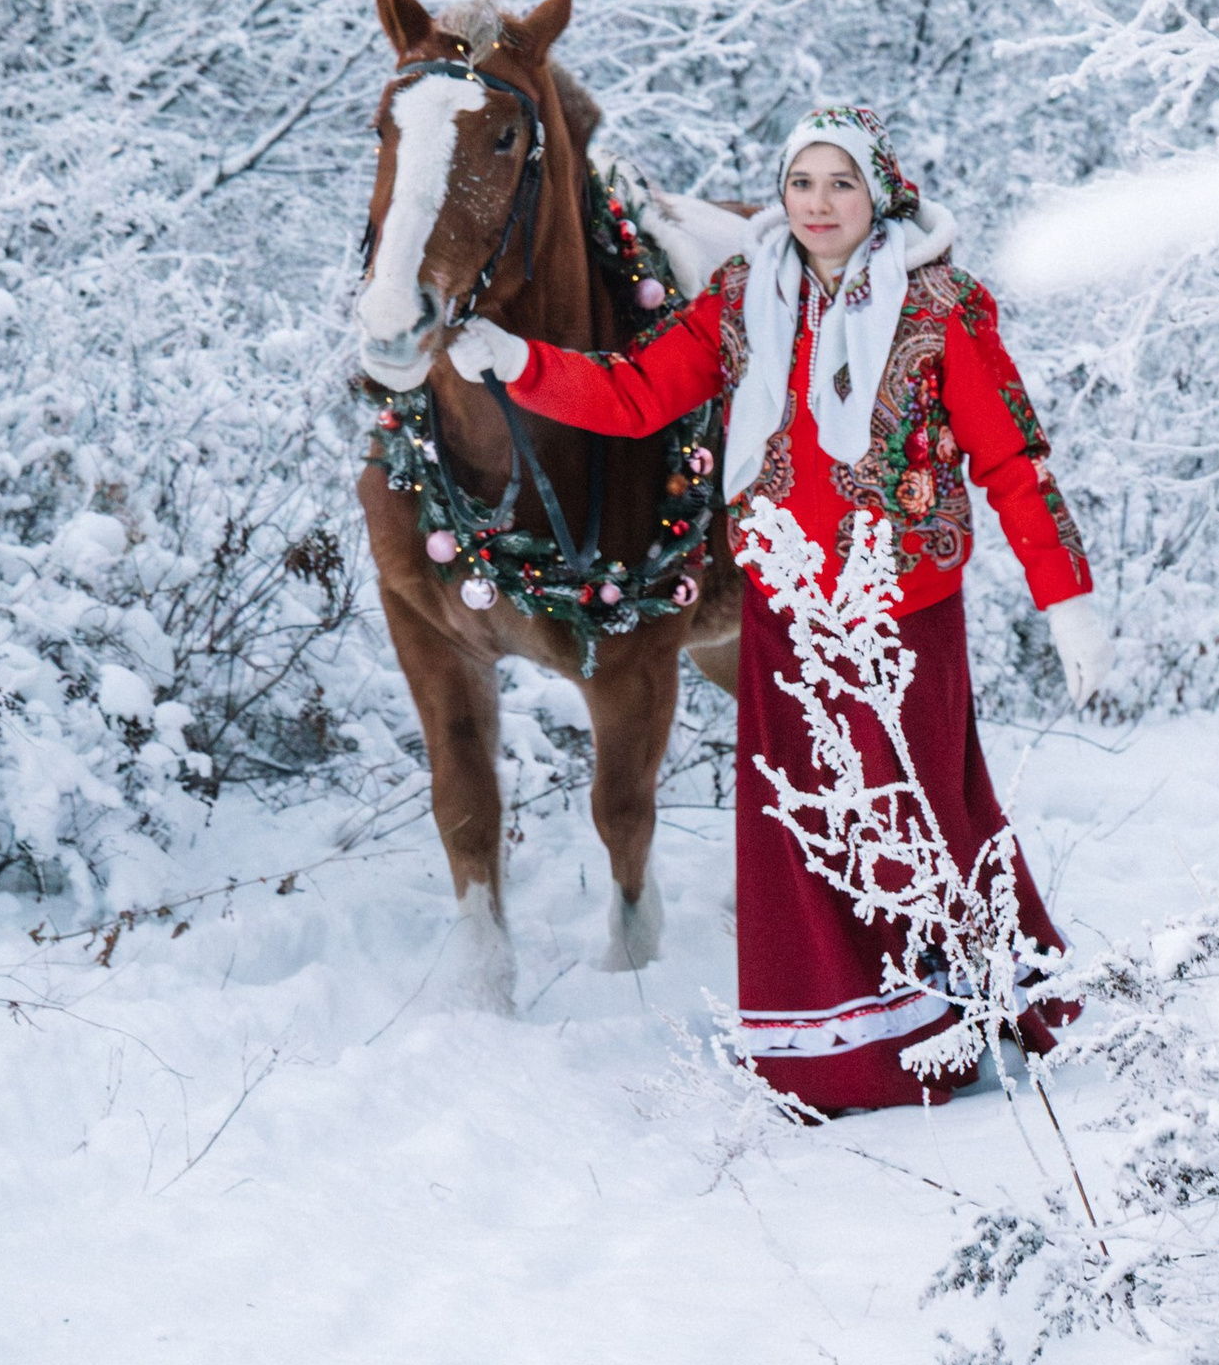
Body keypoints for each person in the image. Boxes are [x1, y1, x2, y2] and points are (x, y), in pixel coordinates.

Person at [449, 103, 1109, 1113]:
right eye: (801, 184)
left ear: (876, 191)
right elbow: (637, 395)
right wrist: (520, 366)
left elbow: (1011, 458)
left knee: (922, 818)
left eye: (839, 183)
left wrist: (1065, 596)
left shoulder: (942, 308)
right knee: (806, 833)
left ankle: (978, 1007)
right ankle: (841, 1053)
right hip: (788, 608)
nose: (817, 204)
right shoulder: (745, 295)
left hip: (904, 615)